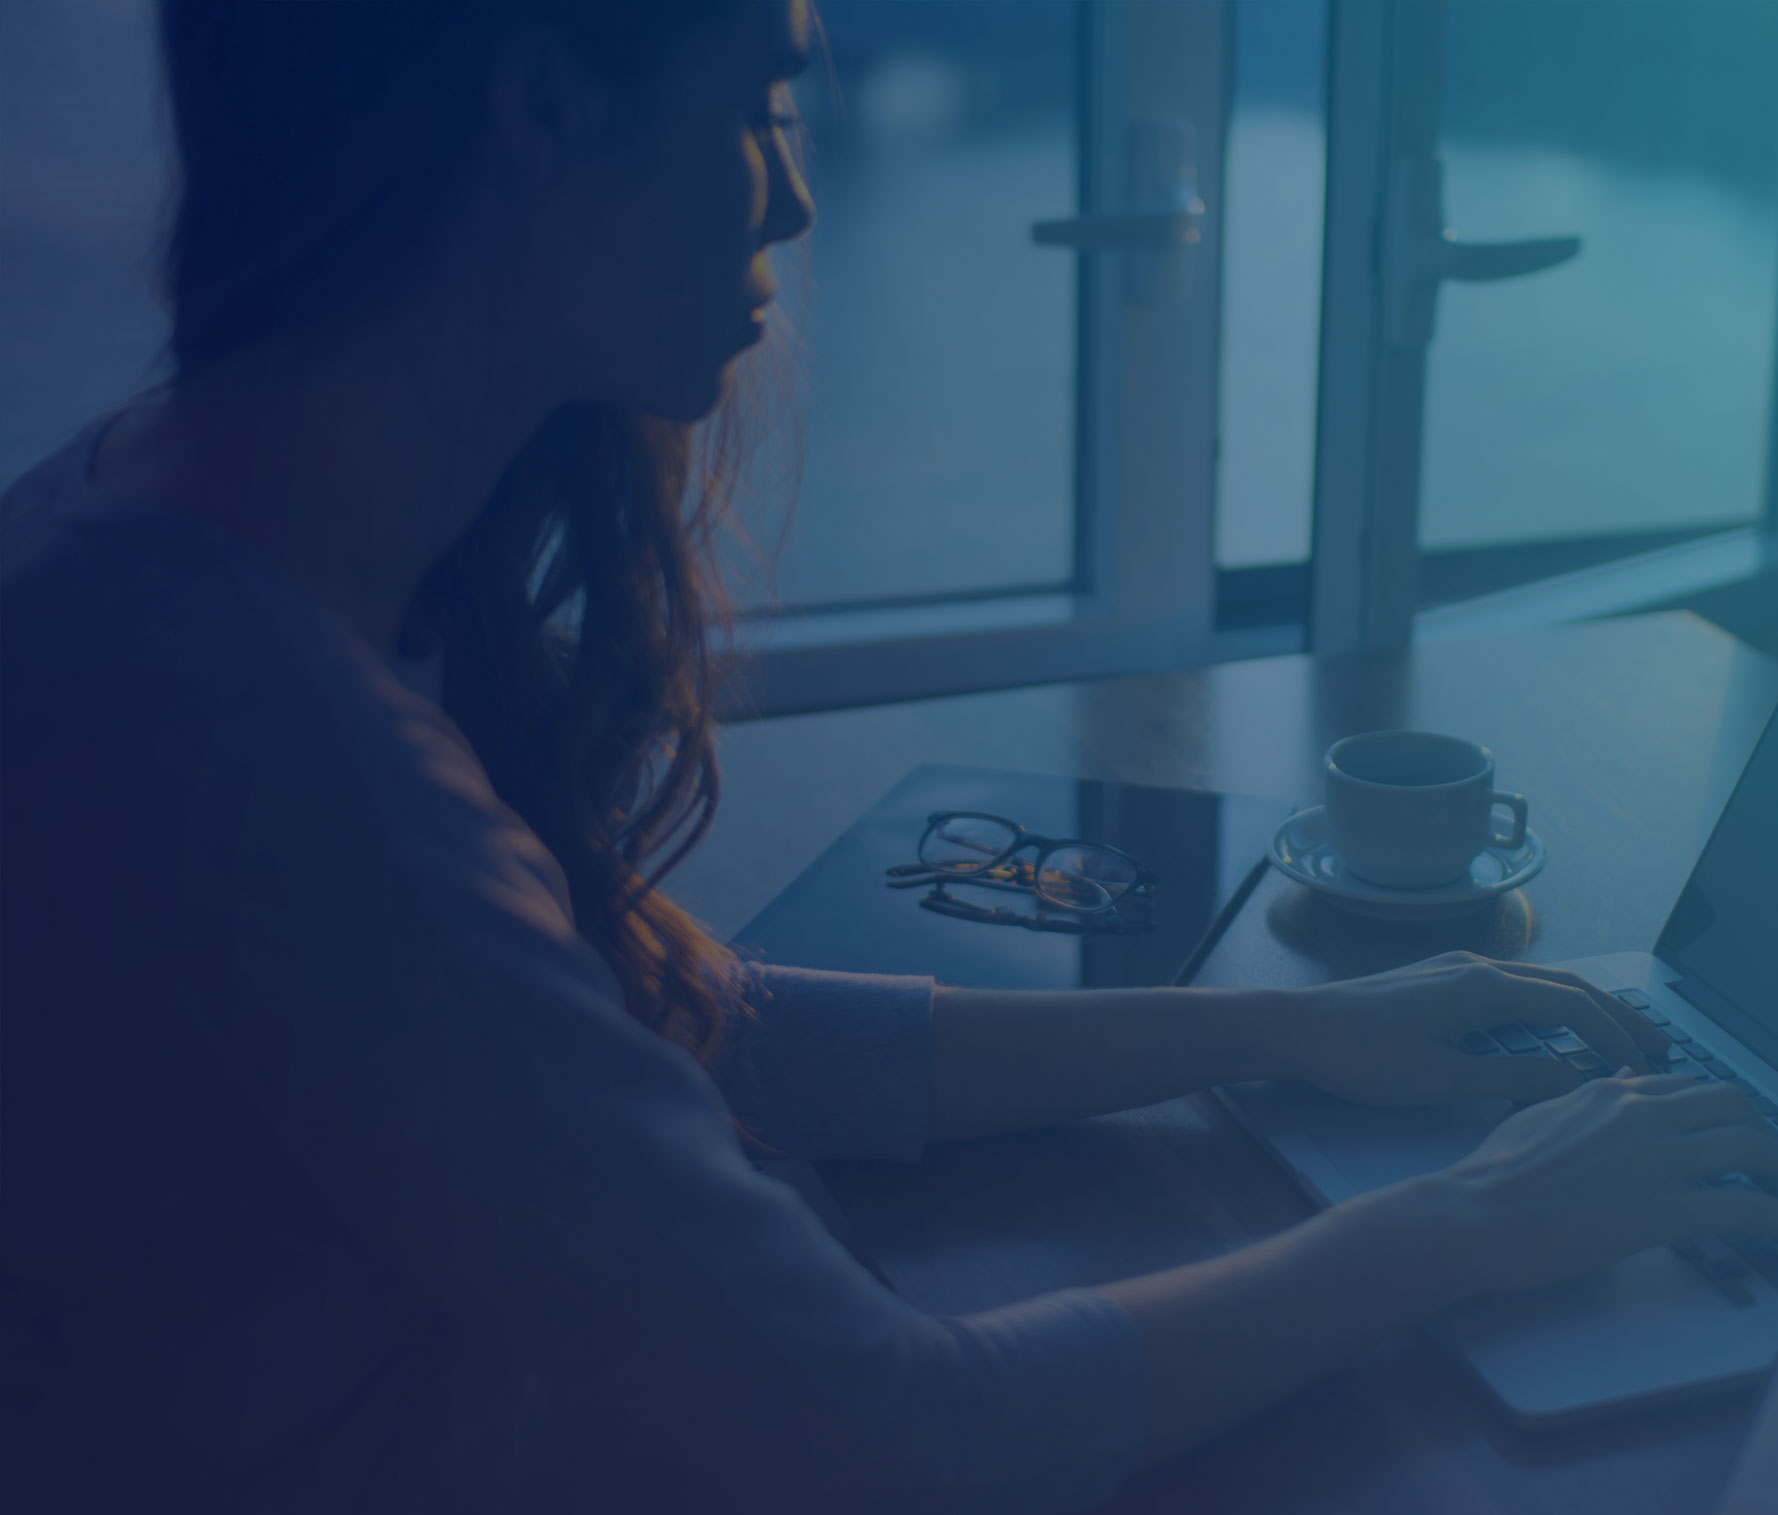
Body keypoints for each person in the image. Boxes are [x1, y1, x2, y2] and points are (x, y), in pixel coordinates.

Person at [4, 3, 1776, 1511]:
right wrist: (1460, 1224)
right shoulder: (285, 768)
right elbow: (891, 1434)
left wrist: (1277, 1031)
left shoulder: (148, 522)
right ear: (543, 102)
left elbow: (610, 1028)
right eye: (758, 103)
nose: (788, 188)